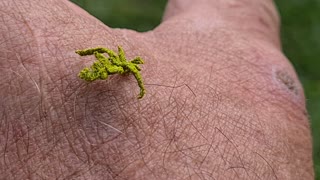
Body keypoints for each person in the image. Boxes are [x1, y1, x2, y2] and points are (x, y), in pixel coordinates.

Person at [0, 0, 314, 179]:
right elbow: (118, 66)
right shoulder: (117, 63)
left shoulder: (128, 70)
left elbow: (135, 80)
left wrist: (137, 90)